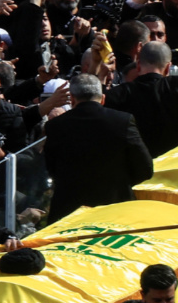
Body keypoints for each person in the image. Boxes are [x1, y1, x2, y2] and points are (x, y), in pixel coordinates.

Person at [43, 74, 152, 222]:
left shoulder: (55, 126)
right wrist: (120, 183)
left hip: (69, 213)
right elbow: (145, 169)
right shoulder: (123, 121)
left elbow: (51, 169)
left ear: (73, 99)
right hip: (114, 208)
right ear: (103, 99)